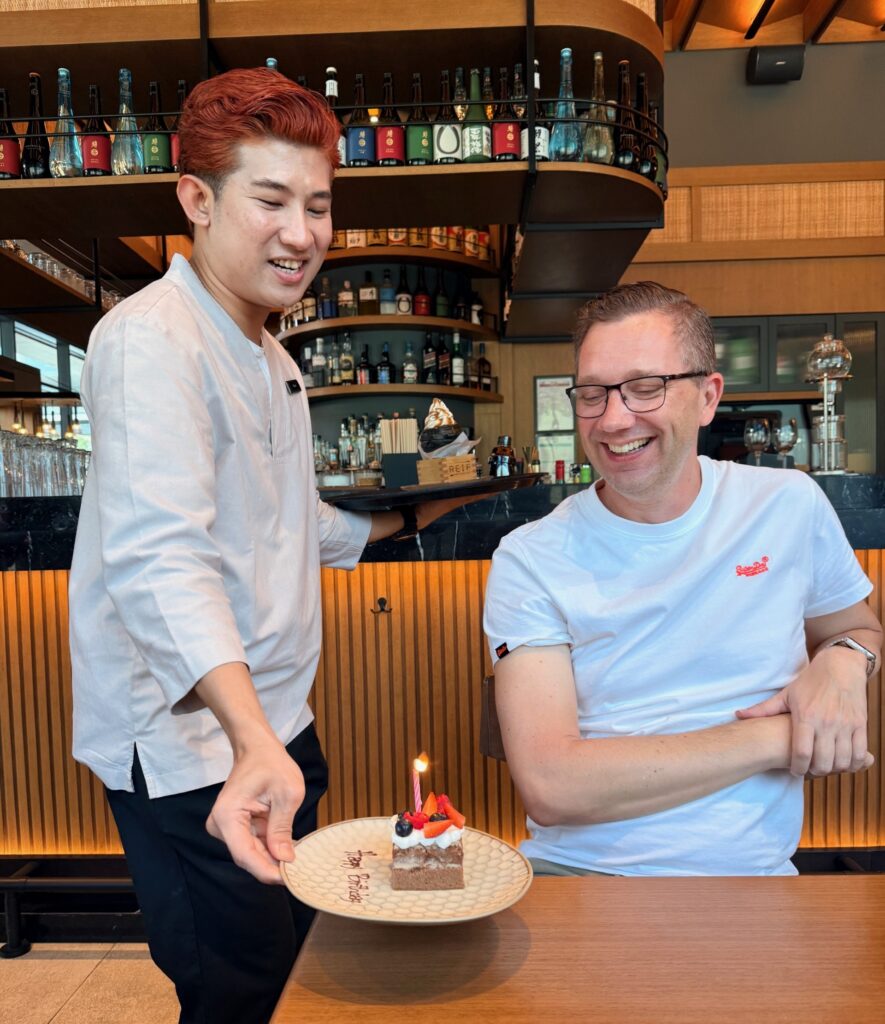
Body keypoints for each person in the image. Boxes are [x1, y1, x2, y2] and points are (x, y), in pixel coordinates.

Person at [69, 68, 469, 1024]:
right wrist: (251, 739)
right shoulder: (149, 340)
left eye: (319, 205)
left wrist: (401, 522)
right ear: (197, 202)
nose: (301, 233)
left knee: (290, 966)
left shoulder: (271, 354)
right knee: (234, 987)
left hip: (275, 727)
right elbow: (161, 555)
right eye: (272, 200)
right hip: (194, 745)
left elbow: (292, 524)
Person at [483, 281, 881, 877]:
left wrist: (847, 663)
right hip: (581, 881)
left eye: (646, 388)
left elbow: (856, 628)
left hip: (756, 883)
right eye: (593, 394)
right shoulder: (530, 556)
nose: (615, 420)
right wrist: (782, 739)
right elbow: (552, 786)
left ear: (707, 396)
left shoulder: (787, 506)